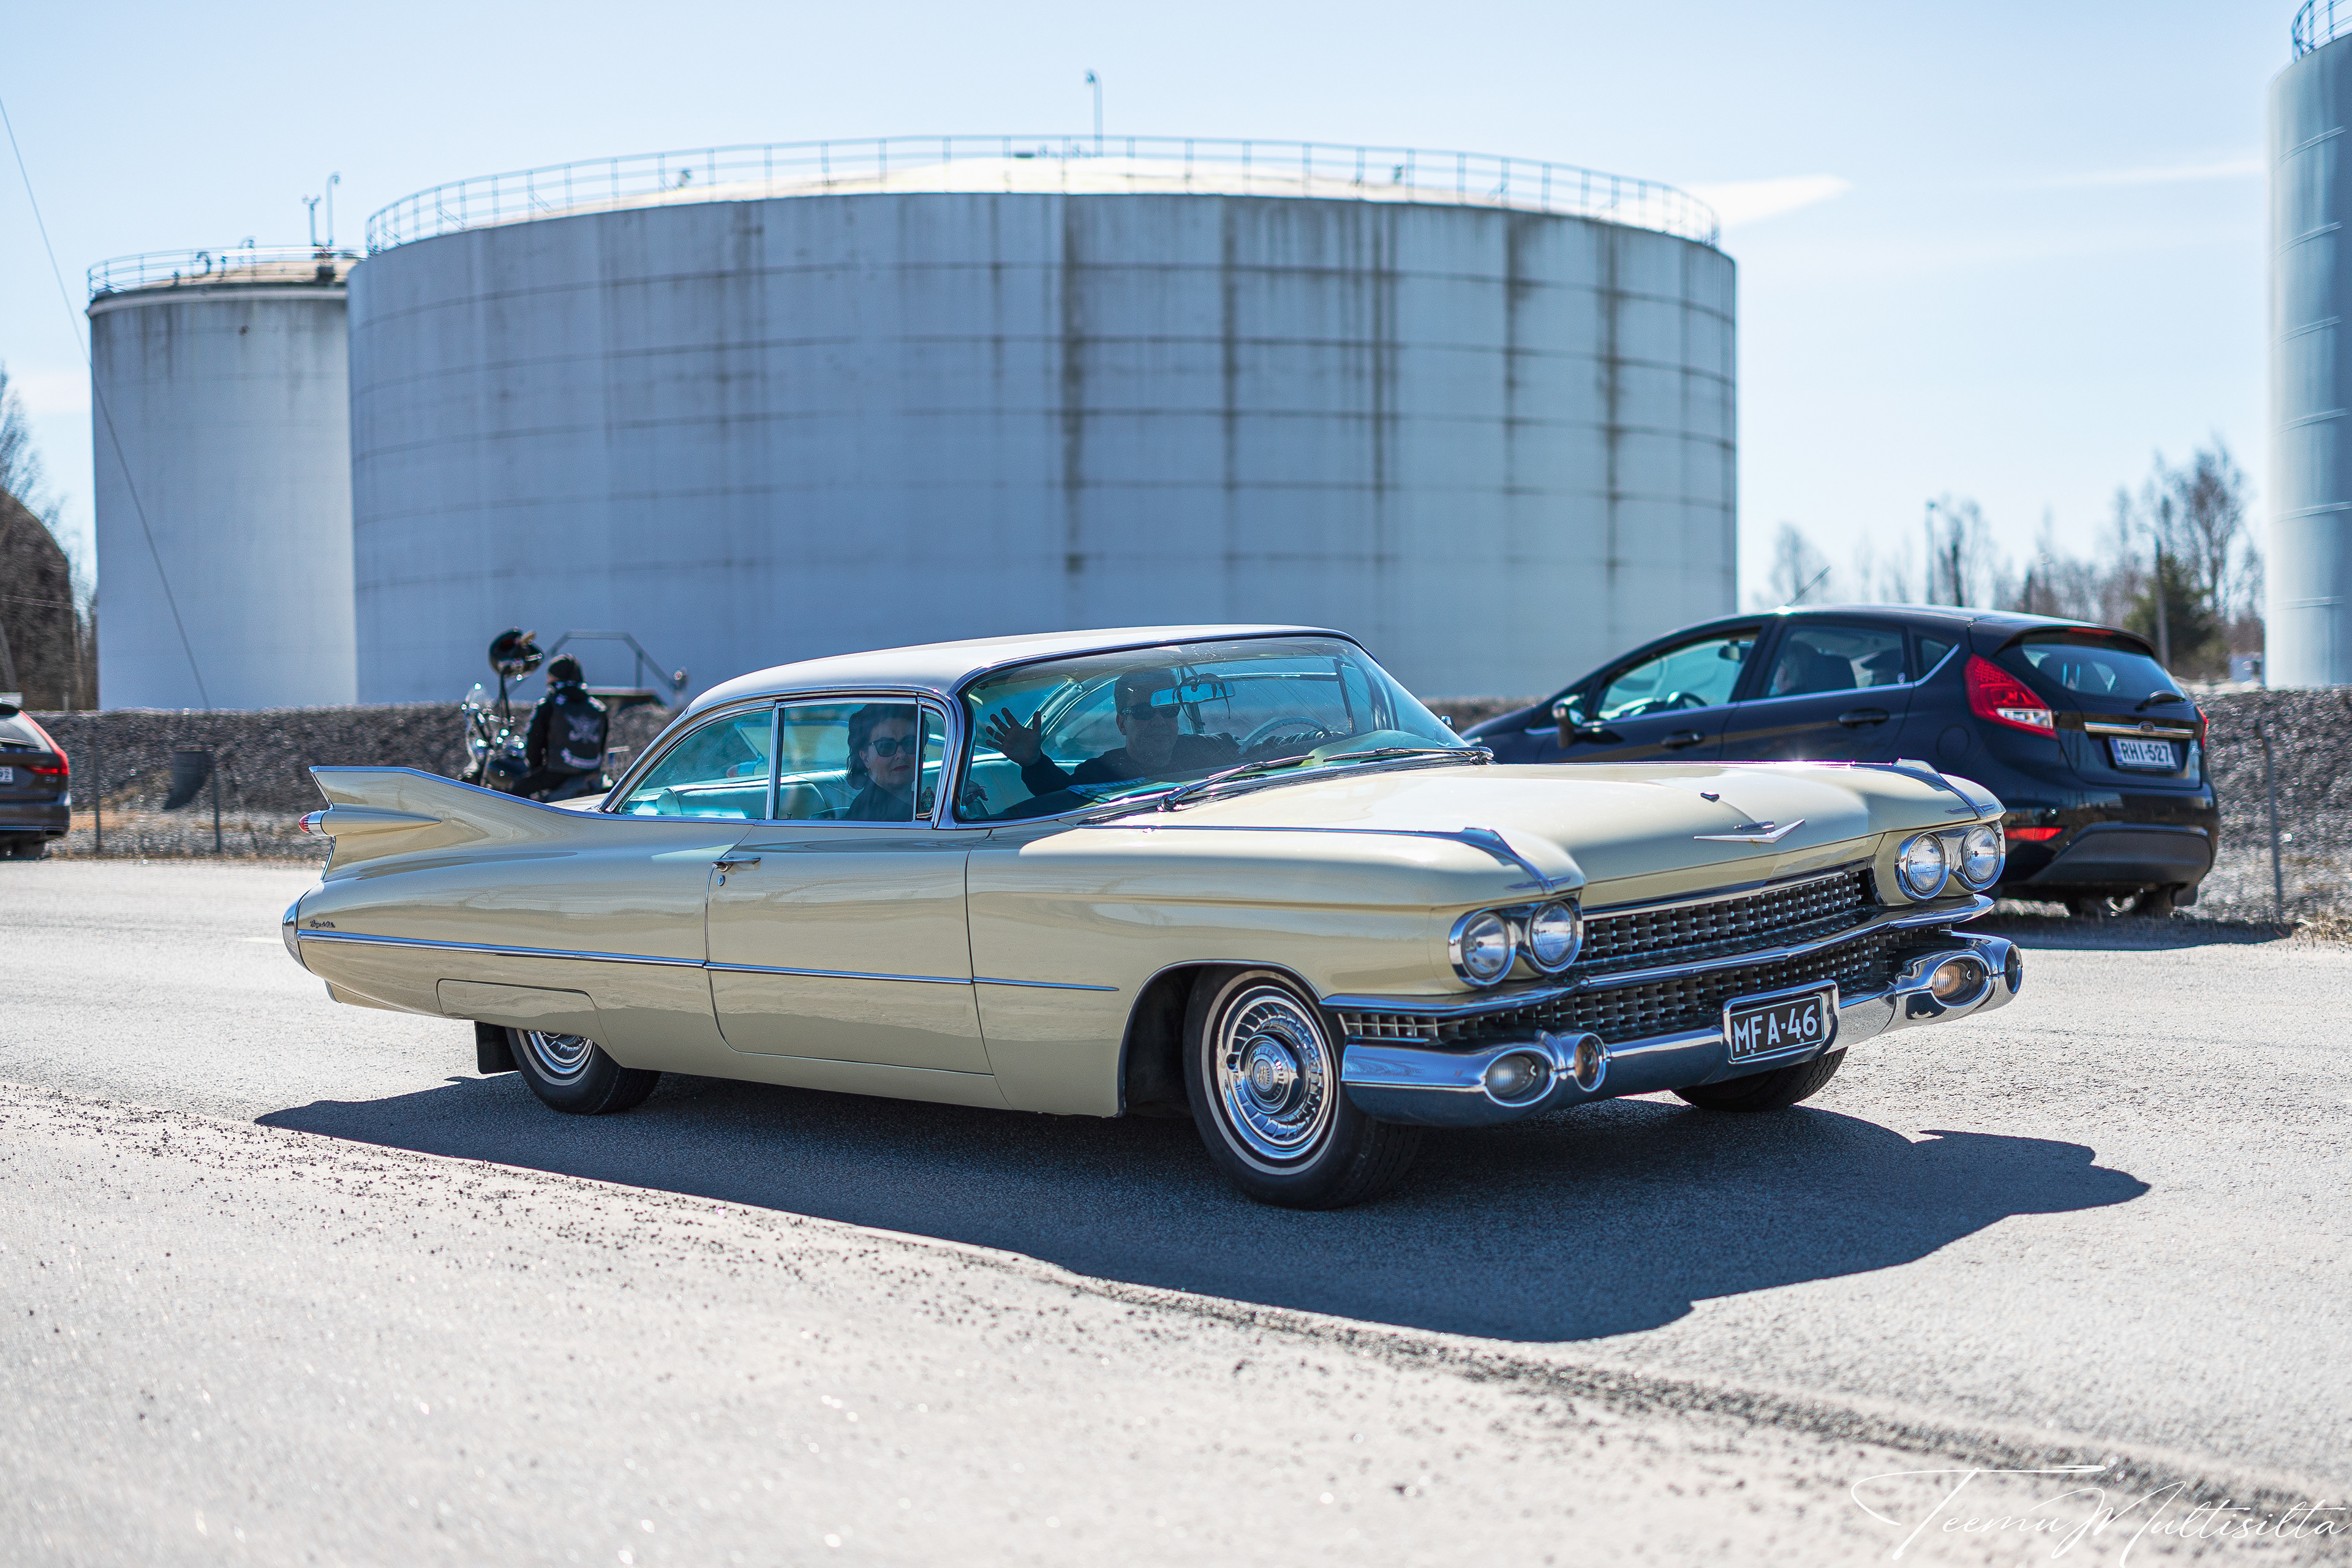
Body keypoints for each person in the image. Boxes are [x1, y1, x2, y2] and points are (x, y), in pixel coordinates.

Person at [981, 667, 1238, 801]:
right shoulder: (1100, 773)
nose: (1159, 720)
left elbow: (1255, 757)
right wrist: (1035, 762)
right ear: (1122, 723)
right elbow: (1060, 795)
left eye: (1169, 710)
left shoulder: (1211, 748)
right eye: (1144, 712)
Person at [518, 655, 609, 801]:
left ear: (554, 677)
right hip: (591, 774)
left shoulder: (549, 705)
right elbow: (601, 746)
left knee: (513, 794)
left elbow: (534, 743)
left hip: (556, 774)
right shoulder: (599, 708)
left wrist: (536, 769)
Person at [840, 703, 923, 821]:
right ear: (865, 758)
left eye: (910, 743)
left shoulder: (921, 803)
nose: (901, 755)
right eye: (886, 746)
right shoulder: (869, 816)